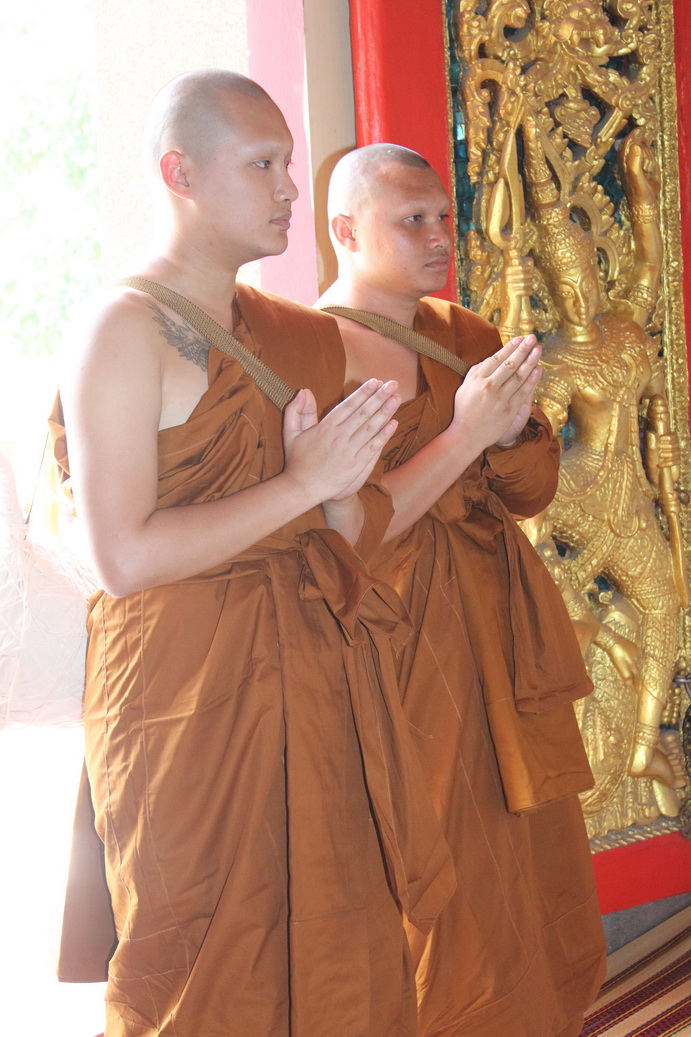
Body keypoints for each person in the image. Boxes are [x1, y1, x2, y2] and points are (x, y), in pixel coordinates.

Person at [50, 73, 458, 1037]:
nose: (288, 189)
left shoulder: (281, 335)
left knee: (342, 949)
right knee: (203, 971)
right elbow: (121, 557)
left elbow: (335, 526)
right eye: (262, 165)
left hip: (312, 678)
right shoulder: (121, 330)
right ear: (179, 173)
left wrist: (350, 486)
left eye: (287, 162)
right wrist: (300, 485)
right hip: (185, 700)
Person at [318, 143, 607, 1037]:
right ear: (345, 231)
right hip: (400, 640)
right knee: (440, 856)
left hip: (499, 623)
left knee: (532, 846)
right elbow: (337, 532)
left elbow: (528, 493)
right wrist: (466, 430)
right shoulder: (307, 349)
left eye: (443, 216)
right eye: (412, 220)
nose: (439, 236)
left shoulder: (464, 334)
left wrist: (512, 432)